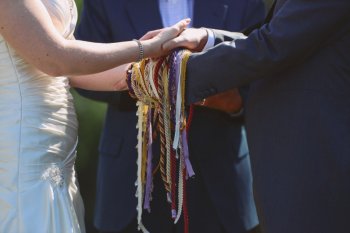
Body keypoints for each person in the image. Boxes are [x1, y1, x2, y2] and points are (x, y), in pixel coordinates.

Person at [75, 0, 265, 233]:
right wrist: (155, 85)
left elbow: (263, 70)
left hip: (221, 180)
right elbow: (82, 71)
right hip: (132, 180)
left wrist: (233, 102)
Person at [161, 0, 350, 233]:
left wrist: (168, 76)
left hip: (318, 170)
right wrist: (207, 38)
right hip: (296, 170)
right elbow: (273, 35)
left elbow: (273, 44)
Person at [0, 0, 189, 232]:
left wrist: (162, 72)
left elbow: (75, 71)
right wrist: (144, 48)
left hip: (55, 151)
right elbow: (56, 58)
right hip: (22, 143)